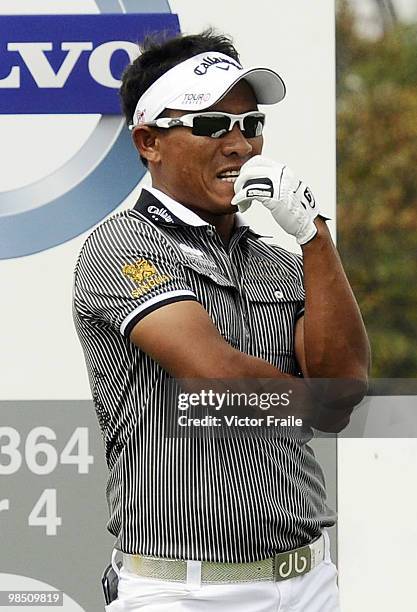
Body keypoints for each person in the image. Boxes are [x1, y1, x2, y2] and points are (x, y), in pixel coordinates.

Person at [73, 29, 370, 612]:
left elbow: (347, 379)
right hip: (182, 590)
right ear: (148, 141)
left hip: (309, 578)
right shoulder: (123, 244)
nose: (240, 144)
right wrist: (321, 400)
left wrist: (312, 233)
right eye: (212, 125)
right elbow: (222, 382)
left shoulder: (278, 258)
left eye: (251, 124)